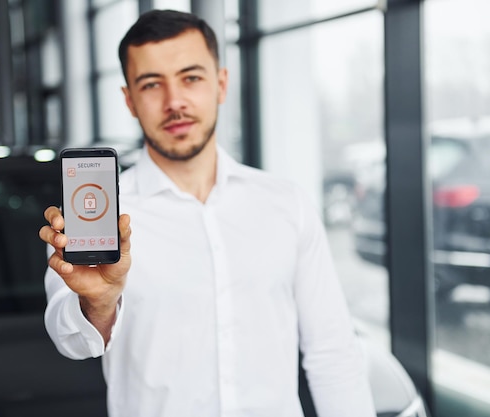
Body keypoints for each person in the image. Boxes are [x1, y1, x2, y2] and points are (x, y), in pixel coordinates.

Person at [39, 9, 376, 417]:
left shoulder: (287, 205)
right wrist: (99, 304)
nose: (174, 101)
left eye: (191, 78)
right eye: (151, 84)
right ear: (129, 99)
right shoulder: (97, 217)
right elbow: (71, 341)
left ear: (221, 84)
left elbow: (333, 354)